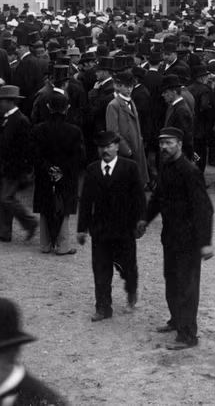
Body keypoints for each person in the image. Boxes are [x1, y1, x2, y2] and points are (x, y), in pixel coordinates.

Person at [136, 126, 214, 350]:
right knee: (171, 279)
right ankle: (176, 320)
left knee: (187, 287)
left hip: (189, 241)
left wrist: (206, 243)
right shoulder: (166, 166)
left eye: (169, 143)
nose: (164, 147)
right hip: (170, 237)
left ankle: (188, 335)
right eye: (161, 143)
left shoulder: (190, 171)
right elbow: (158, 198)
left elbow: (204, 209)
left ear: (179, 144)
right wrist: (145, 219)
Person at [77, 129, 146, 321]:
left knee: (127, 267)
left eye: (108, 146)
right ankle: (103, 308)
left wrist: (141, 220)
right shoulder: (92, 170)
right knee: (100, 270)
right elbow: (85, 201)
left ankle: (131, 288)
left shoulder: (129, 168)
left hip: (124, 230)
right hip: (100, 231)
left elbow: (139, 197)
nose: (104, 151)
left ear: (117, 146)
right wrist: (81, 228)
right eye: (101, 147)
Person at [31, 92, 85, 255]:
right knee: (64, 207)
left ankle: (45, 244)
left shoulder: (38, 129)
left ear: (48, 107)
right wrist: (62, 170)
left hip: (44, 173)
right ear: (67, 108)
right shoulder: (75, 131)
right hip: (66, 175)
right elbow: (80, 157)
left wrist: (49, 168)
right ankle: (63, 245)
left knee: (45, 206)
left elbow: (35, 154)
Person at [0, 85, 39, 243]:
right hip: (4, 165)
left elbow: (26, 148)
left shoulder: (20, 120)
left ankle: (30, 222)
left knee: (6, 198)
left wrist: (23, 168)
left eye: (2, 101)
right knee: (1, 199)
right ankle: (3, 231)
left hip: (13, 166)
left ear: (11, 102)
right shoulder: (7, 118)